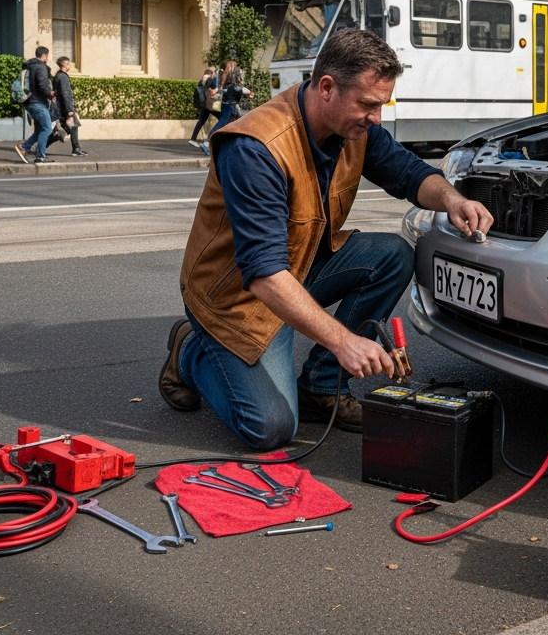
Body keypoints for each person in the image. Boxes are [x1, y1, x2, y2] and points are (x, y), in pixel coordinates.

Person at [159, 28, 495, 450]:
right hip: (236, 297)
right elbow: (263, 275)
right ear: (327, 88)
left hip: (294, 270)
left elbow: (409, 173)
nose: (376, 117)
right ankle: (190, 353)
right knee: (271, 428)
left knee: (392, 254)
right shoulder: (255, 148)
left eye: (382, 106)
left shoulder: (355, 129)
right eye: (368, 105)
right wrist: (344, 341)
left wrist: (451, 200)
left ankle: (321, 385)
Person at [14, 47, 55, 165]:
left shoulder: (30, 66)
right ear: (45, 56)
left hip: (30, 102)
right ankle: (40, 155)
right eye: (48, 56)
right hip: (38, 102)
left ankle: (24, 148)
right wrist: (50, 93)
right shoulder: (41, 66)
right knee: (47, 128)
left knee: (40, 129)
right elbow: (43, 84)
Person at [206, 60, 251, 141]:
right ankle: (208, 140)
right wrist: (250, 92)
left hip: (226, 104)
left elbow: (222, 88)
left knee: (230, 123)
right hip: (230, 105)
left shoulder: (224, 77)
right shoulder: (233, 78)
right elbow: (239, 89)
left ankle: (223, 141)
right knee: (223, 123)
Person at [53, 57, 86, 157]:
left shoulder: (59, 75)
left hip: (61, 107)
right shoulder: (63, 77)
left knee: (66, 129)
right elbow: (65, 93)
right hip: (64, 108)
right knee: (72, 126)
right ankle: (76, 149)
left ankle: (38, 147)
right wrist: (69, 110)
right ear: (64, 64)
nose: (70, 65)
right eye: (68, 63)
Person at [189, 66, 218, 149]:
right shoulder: (212, 80)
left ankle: (193, 139)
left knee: (201, 121)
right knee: (222, 120)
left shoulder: (202, 80)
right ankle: (208, 140)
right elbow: (215, 90)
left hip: (204, 104)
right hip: (210, 104)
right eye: (214, 72)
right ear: (212, 73)